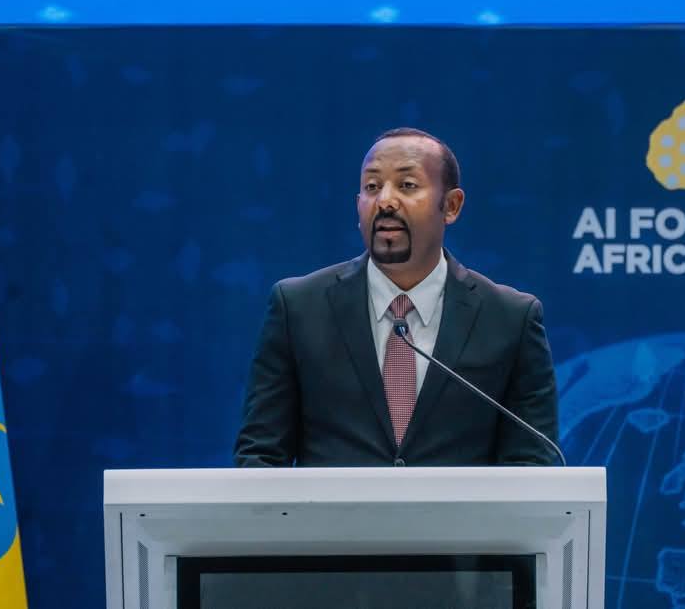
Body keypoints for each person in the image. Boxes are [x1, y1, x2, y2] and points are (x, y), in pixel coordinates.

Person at [234, 128, 558, 467]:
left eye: (407, 185)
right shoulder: (299, 308)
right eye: (372, 187)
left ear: (451, 206)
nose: (385, 201)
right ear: (357, 204)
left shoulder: (510, 319)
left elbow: (531, 466)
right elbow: (260, 457)